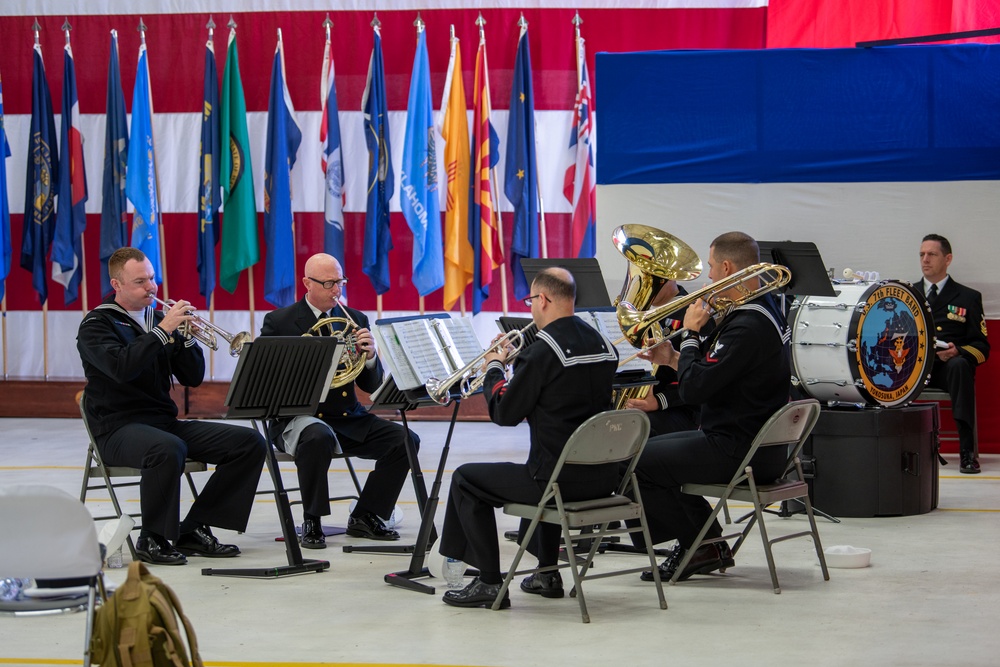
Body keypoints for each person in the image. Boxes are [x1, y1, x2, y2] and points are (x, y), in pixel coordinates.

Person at [440, 267, 620, 609]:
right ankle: (547, 572)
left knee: (466, 480)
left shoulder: (541, 352)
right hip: (604, 477)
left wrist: (495, 366)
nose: (531, 309)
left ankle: (490, 582)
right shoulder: (602, 342)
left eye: (531, 301)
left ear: (543, 299)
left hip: (557, 482)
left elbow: (505, 414)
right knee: (549, 461)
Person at [77, 248, 267, 566]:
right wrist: (163, 331)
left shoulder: (157, 321)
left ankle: (193, 529)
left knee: (249, 444)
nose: (151, 287)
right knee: (167, 448)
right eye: (140, 281)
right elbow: (121, 368)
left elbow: (192, 378)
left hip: (162, 423)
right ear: (117, 284)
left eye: (152, 278)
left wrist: (188, 337)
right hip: (116, 428)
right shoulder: (97, 324)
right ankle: (152, 537)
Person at [630, 231, 791, 582]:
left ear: (729, 266)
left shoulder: (747, 324)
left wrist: (688, 335)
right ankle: (705, 544)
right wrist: (672, 358)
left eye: (714, 267)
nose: (711, 278)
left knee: (636, 463)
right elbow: (717, 375)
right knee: (646, 451)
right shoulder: (764, 309)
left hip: (740, 449)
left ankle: (700, 544)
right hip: (756, 444)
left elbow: (695, 388)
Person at [259, 253, 418, 548]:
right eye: (329, 283)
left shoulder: (355, 319)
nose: (337, 290)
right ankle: (312, 520)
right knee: (317, 436)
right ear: (307, 283)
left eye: (340, 281)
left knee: (405, 440)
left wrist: (370, 357)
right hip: (298, 417)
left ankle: (366, 514)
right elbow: (268, 380)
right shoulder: (279, 321)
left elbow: (368, 387)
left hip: (346, 417)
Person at [916, 234, 990, 474]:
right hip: (914, 369)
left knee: (960, 367)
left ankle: (967, 452)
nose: (925, 260)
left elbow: (982, 348)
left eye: (932, 254)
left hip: (948, 371)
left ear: (947, 259)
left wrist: (958, 351)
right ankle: (891, 449)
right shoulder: (908, 293)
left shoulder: (967, 297)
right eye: (922, 255)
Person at [624, 280, 701, 436]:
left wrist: (659, 401)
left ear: (669, 277)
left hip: (678, 409)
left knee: (628, 431)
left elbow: (701, 377)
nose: (642, 285)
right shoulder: (640, 311)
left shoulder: (693, 314)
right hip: (642, 403)